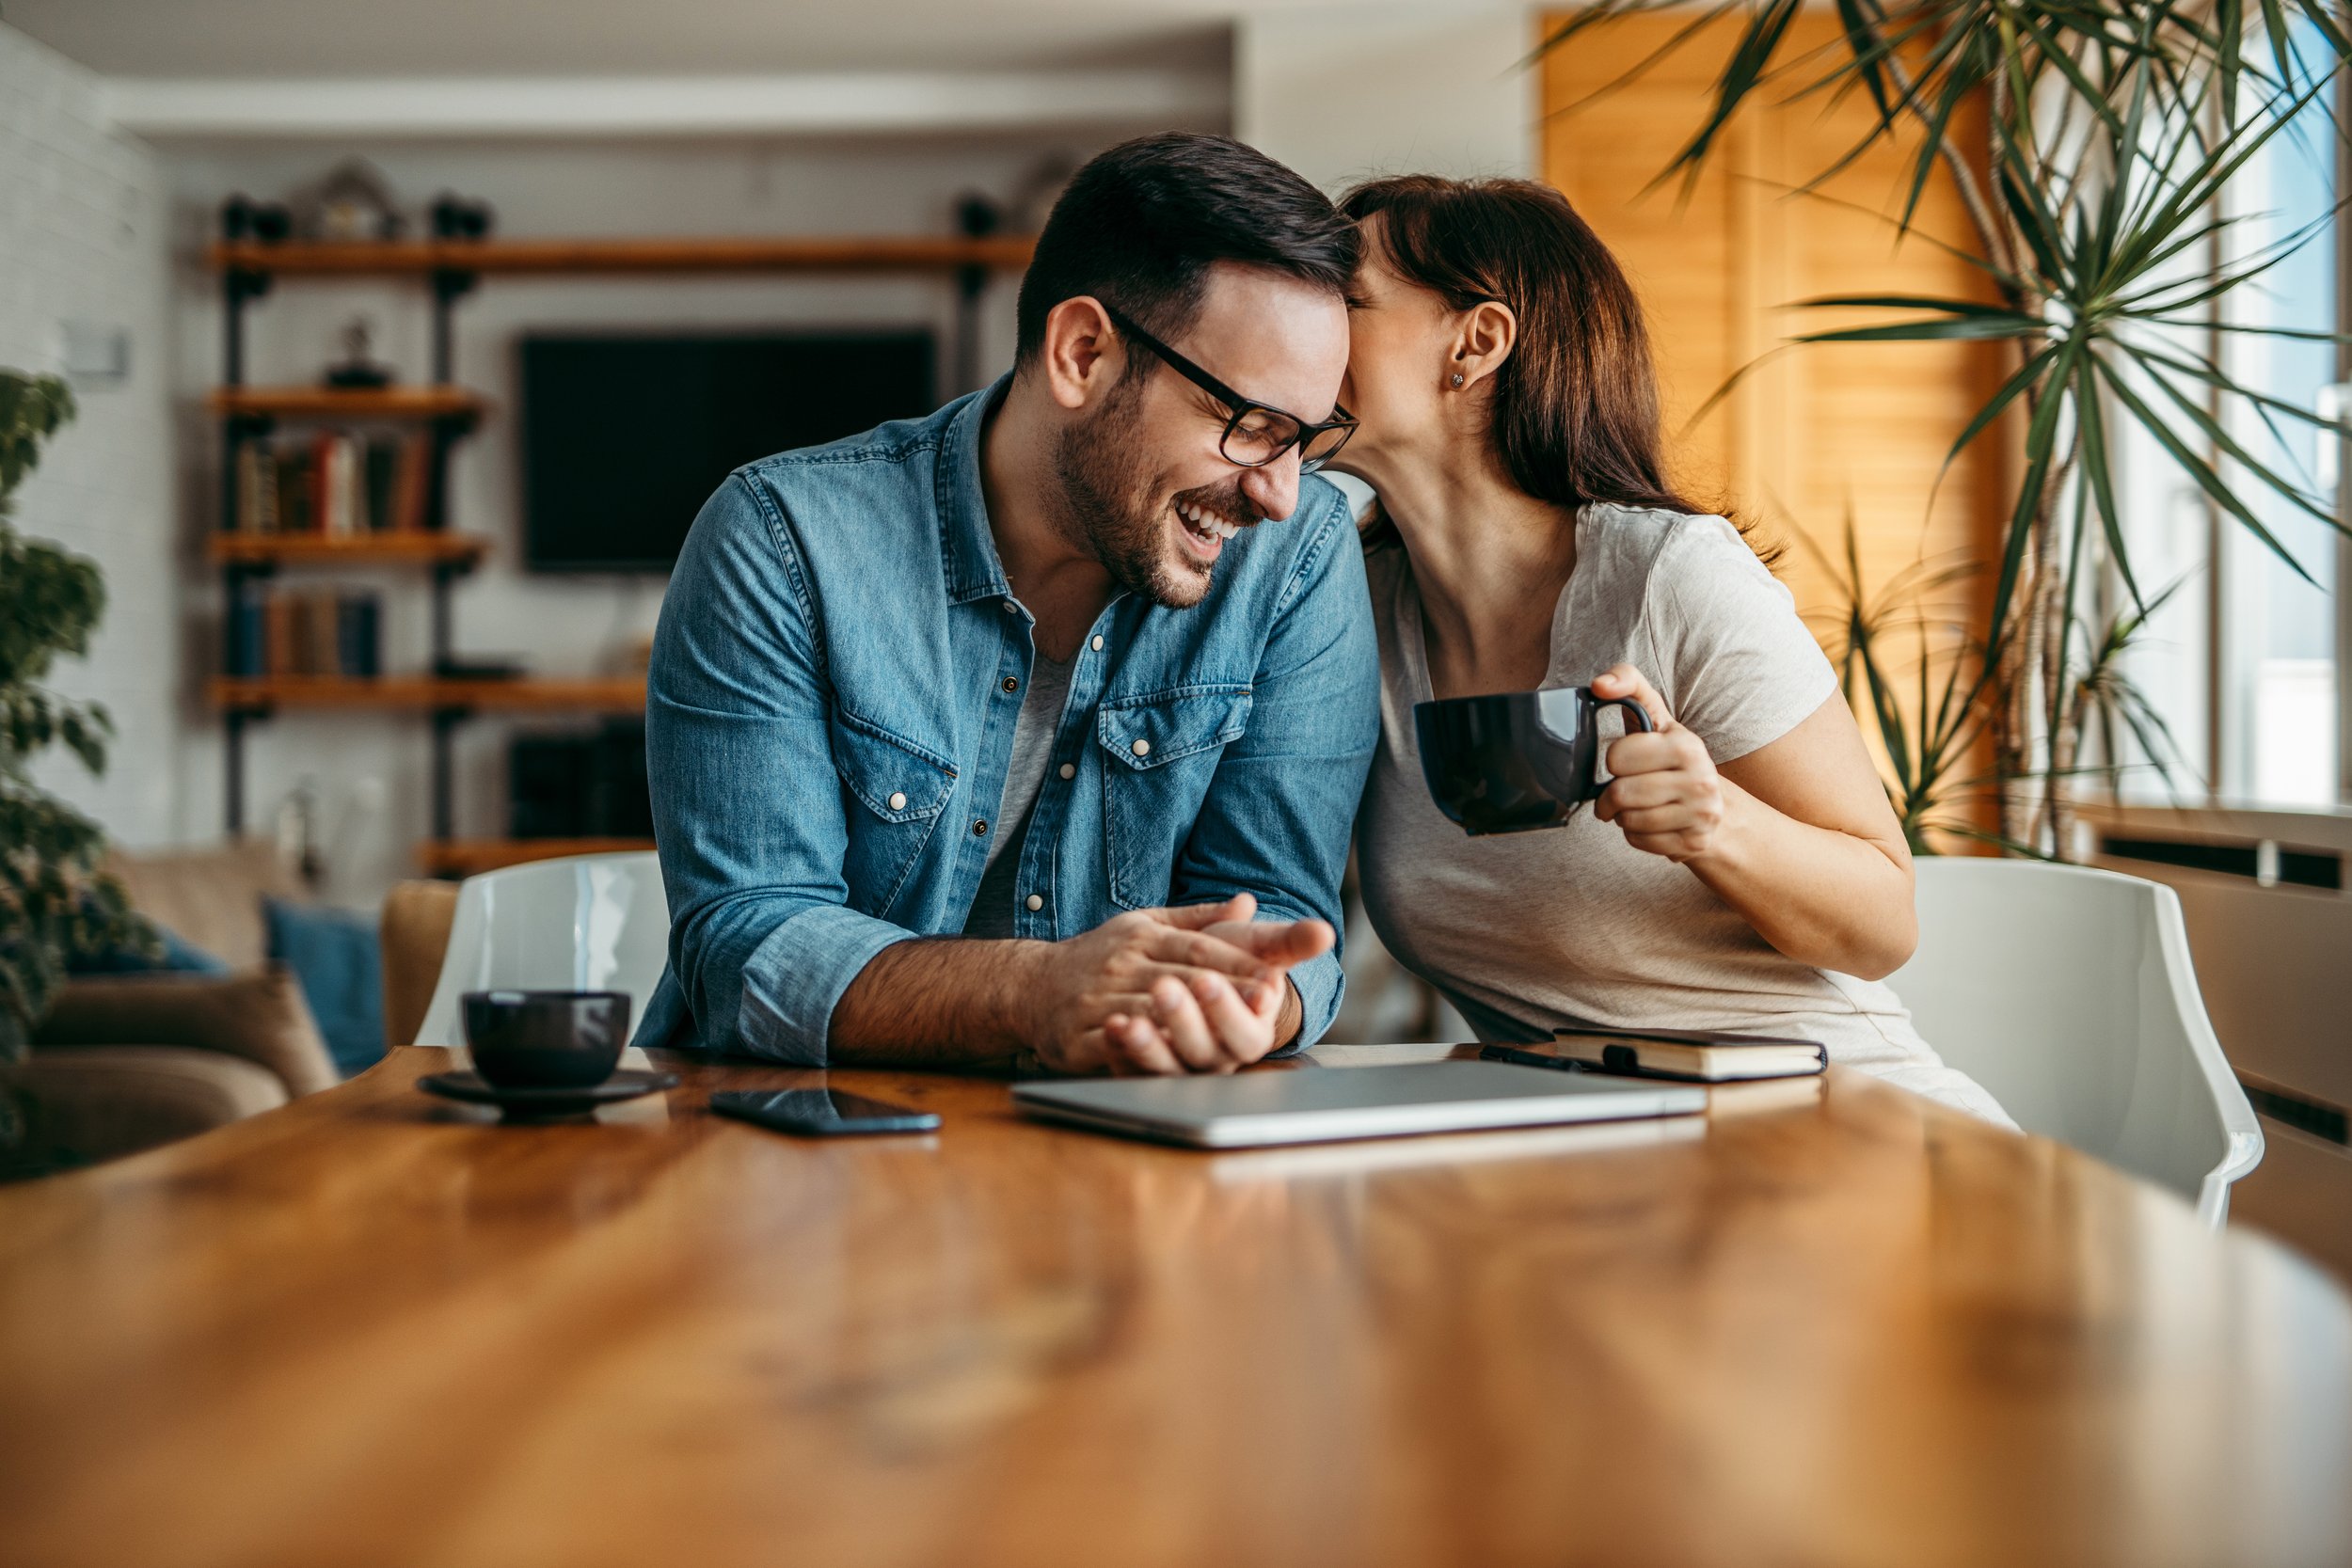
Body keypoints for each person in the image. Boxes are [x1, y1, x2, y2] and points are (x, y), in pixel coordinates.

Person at [633, 133, 1380, 1075]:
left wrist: (1239, 1006)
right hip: (802, 1150)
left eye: (1306, 440)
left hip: (1134, 1138)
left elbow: (1280, 911)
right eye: (1252, 427)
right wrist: (1039, 991)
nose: (1278, 492)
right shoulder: (781, 539)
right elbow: (746, 945)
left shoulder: (1299, 554)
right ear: (1082, 353)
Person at [1330, 174, 2010, 1124]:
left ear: (1475, 342)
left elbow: (1881, 923)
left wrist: (1716, 823)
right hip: (1600, 1156)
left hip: (1845, 1124)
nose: (1302, 324)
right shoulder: (1350, 608)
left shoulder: (1670, 578)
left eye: (1344, 299)